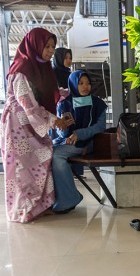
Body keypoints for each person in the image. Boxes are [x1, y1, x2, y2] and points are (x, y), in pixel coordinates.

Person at [0, 28, 73, 223]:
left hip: (33, 125)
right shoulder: (22, 68)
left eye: (52, 47)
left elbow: (47, 92)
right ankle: (23, 210)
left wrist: (62, 95)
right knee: (22, 169)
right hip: (19, 126)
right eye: (46, 46)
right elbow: (27, 103)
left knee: (42, 160)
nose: (50, 51)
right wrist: (53, 120)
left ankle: (40, 206)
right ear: (35, 44)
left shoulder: (42, 67)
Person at [51, 70, 107, 213]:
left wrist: (79, 134)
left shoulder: (98, 103)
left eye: (88, 83)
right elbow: (61, 132)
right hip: (69, 143)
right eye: (80, 83)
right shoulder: (64, 104)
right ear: (73, 85)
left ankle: (69, 198)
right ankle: (55, 199)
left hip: (90, 143)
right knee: (47, 153)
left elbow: (100, 127)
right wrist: (64, 127)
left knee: (56, 156)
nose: (85, 86)